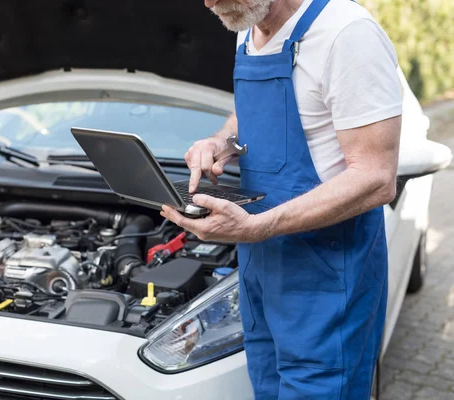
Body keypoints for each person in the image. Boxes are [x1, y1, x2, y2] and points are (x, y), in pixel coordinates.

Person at [160, 0, 403, 398]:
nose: (209, 3)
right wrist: (221, 141)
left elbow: (376, 177)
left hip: (327, 280)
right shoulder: (247, 23)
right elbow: (246, 113)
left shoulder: (347, 34)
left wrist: (257, 226)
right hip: (260, 270)